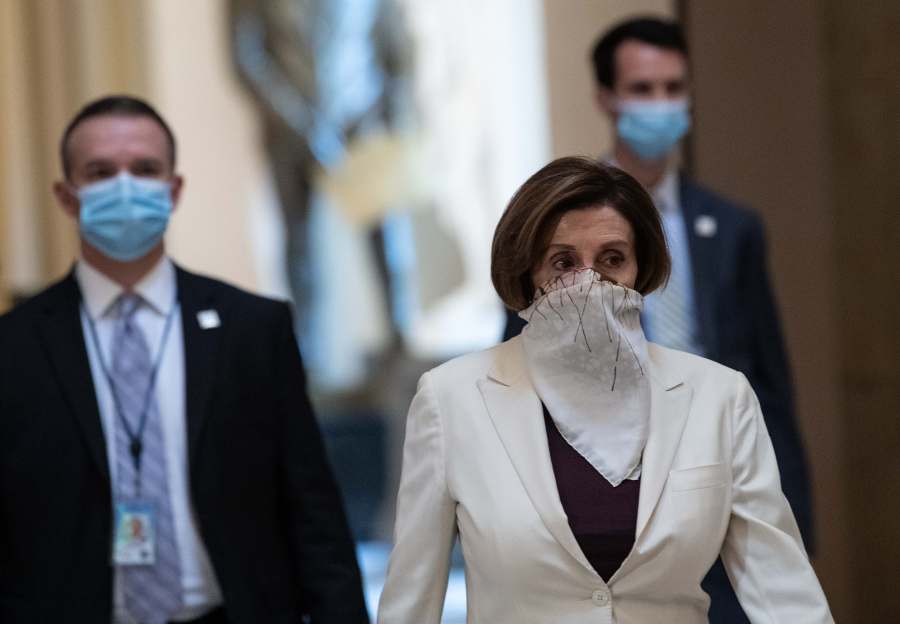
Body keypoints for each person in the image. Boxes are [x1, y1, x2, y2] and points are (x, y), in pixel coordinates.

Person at [378, 157, 831, 623]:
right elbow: (412, 596)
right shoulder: (452, 399)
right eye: (563, 262)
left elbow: (782, 590)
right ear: (526, 273)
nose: (588, 281)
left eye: (612, 258)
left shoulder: (719, 397)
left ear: (642, 268)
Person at [0, 95, 368, 623]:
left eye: (145, 169)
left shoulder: (252, 329)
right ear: (66, 196)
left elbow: (315, 516)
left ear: (173, 190)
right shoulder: (14, 348)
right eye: (100, 172)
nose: (125, 186)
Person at [502, 17, 814, 622]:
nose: (661, 104)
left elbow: (769, 380)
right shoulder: (553, 226)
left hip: (711, 481)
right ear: (606, 98)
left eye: (674, 88)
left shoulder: (731, 227)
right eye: (643, 89)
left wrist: (792, 521)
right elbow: (518, 356)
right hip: (597, 488)